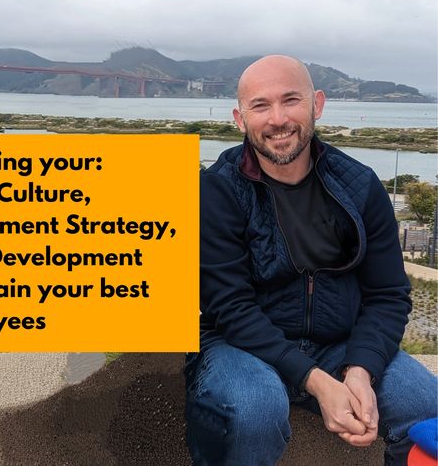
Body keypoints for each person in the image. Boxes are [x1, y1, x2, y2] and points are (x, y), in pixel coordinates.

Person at [186, 55, 437, 465]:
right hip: (240, 347)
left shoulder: (360, 184)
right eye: (261, 105)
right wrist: (317, 383)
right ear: (239, 117)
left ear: (317, 104)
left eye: (291, 100)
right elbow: (228, 307)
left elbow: (388, 294)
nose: (278, 119)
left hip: (340, 345)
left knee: (427, 406)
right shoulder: (218, 190)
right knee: (251, 409)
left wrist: (360, 370)